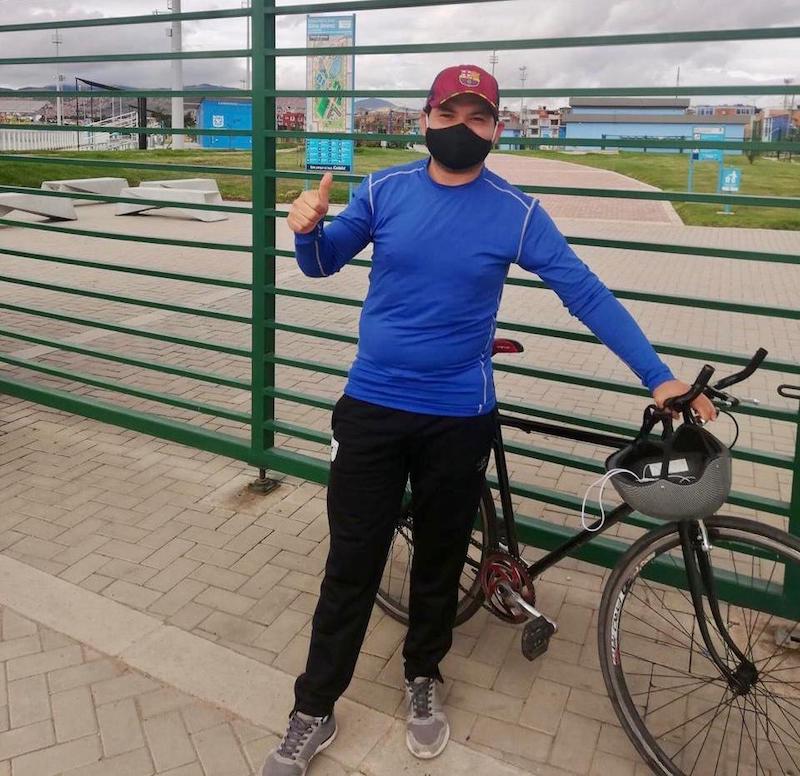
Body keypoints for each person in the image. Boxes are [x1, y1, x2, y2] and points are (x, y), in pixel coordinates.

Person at [261, 64, 716, 776]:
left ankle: (423, 675)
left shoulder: (516, 211)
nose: (462, 127)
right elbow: (322, 262)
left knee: (441, 560)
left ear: (496, 130)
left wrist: (658, 376)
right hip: (373, 406)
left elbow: (584, 292)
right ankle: (313, 709)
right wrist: (306, 230)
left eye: (478, 117)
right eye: (450, 113)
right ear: (425, 120)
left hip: (458, 415)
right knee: (351, 563)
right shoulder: (384, 189)